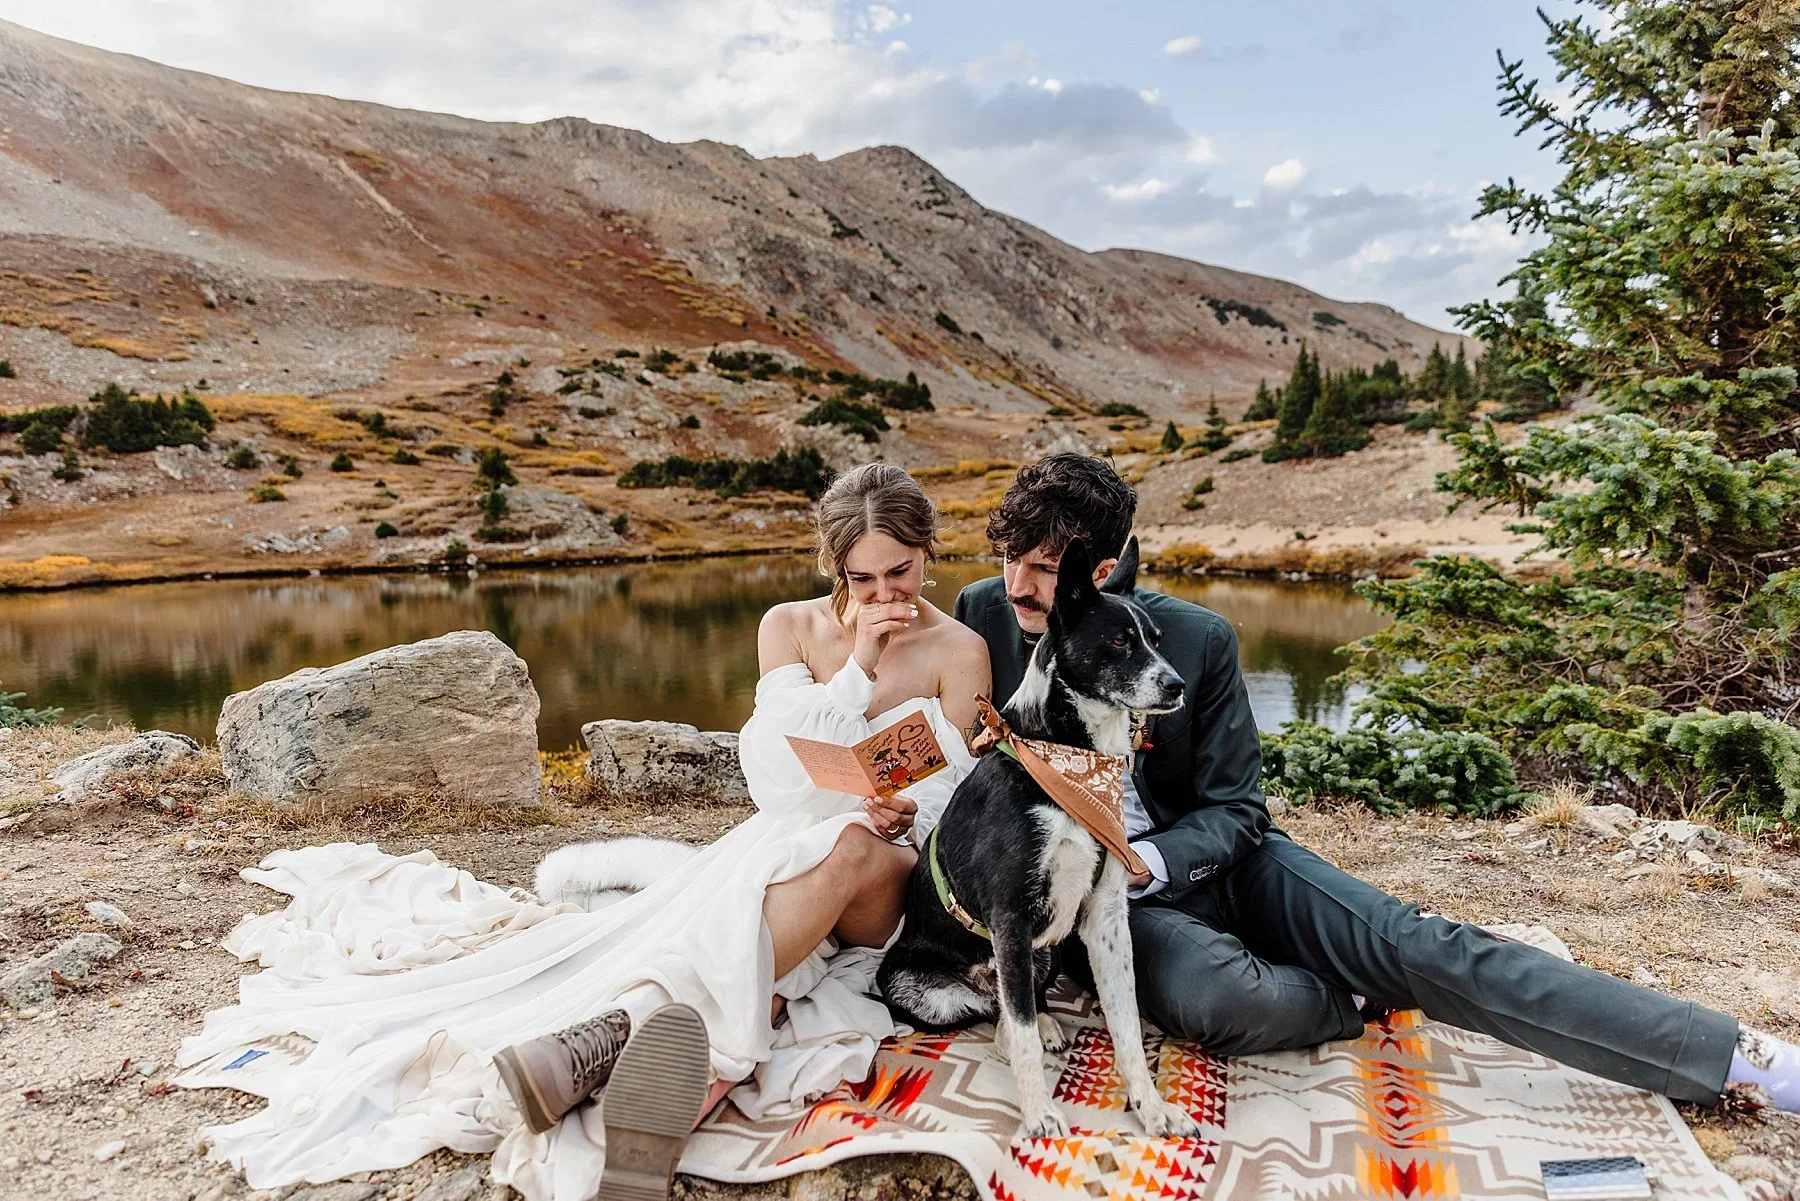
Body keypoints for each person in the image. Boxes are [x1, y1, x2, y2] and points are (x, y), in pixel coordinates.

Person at [176, 463, 992, 1201]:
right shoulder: (789, 625)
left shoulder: (961, 648)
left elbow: (961, 802)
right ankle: (628, 1070)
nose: (885, 591)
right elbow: (774, 774)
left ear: (929, 554)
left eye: (902, 571)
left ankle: (609, 1039)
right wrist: (855, 662)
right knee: (780, 922)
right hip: (784, 846)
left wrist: (901, 806)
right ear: (834, 568)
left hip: (890, 870)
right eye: (862, 576)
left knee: (845, 846)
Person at [950, 451, 1800, 1114]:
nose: (1018, 584)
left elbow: (1239, 809)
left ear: (1101, 574)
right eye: (1008, 558)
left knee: (1419, 942)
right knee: (1223, 999)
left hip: (1209, 861)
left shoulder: (1198, 639)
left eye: (1042, 566)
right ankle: (1352, 990)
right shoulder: (983, 612)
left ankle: (1734, 1056)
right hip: (1109, 903)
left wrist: (1154, 858)